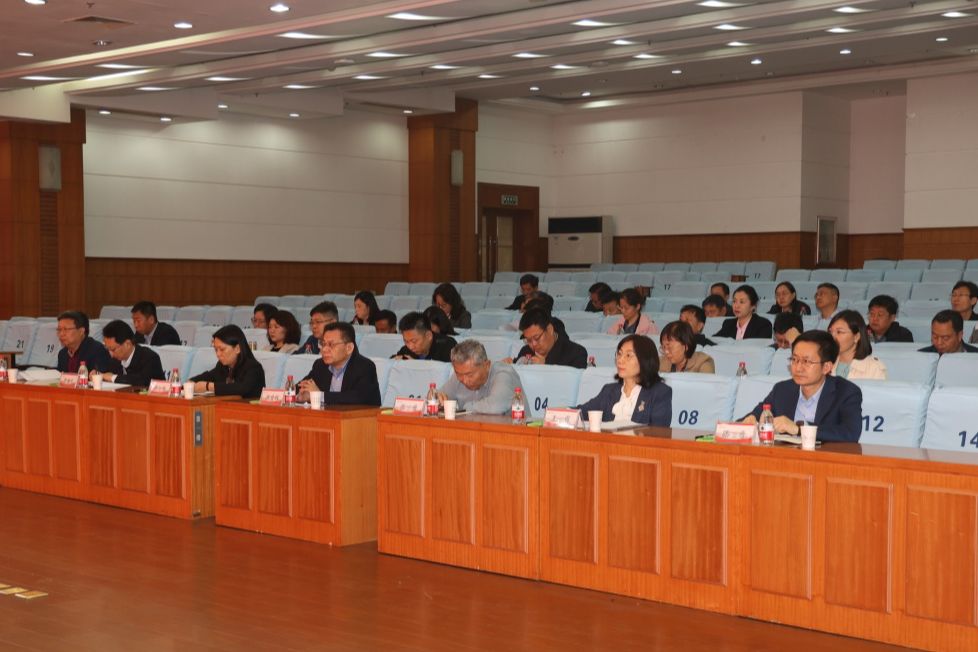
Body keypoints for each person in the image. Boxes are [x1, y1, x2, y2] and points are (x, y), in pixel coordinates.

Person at [742, 330, 862, 442]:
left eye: (806, 361)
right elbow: (751, 418)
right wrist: (749, 421)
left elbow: (850, 433)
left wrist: (799, 429)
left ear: (826, 367)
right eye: (795, 359)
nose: (798, 368)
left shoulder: (846, 392)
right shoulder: (782, 390)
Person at [577, 334, 672, 427]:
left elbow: (659, 432)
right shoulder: (609, 390)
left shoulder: (659, 392)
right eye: (619, 354)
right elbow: (581, 413)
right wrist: (568, 411)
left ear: (644, 360)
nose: (620, 360)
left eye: (628, 355)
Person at [298, 322, 381, 405]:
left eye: (331, 344)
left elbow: (357, 398)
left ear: (349, 348)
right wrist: (301, 394)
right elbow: (303, 385)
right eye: (323, 344)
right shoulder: (320, 365)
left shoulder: (365, 367)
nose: (324, 349)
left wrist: (319, 396)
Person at [437, 339, 523, 415]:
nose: (464, 380)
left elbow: (496, 405)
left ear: (487, 365)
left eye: (470, 375)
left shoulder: (504, 373)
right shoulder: (460, 375)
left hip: (513, 427)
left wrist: (466, 408)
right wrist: (438, 400)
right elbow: (438, 397)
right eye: (458, 374)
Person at [190, 325, 265, 398]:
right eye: (216, 349)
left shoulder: (253, 367)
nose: (218, 354)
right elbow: (208, 376)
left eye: (222, 349)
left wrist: (209, 386)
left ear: (237, 349)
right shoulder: (222, 366)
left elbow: (241, 388)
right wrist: (190, 383)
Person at [513, 308, 587, 368]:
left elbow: (570, 381)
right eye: (528, 340)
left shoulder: (576, 353)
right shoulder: (525, 351)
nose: (533, 344)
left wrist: (545, 368)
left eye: (537, 338)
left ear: (550, 329)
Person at [100, 320, 165, 386]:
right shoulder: (114, 361)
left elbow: (143, 381)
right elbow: (106, 375)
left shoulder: (150, 358)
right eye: (107, 349)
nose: (111, 354)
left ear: (127, 344)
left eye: (113, 350)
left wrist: (113, 377)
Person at [827, 310, 887, 380]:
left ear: (856, 337)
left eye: (839, 332)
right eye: (830, 332)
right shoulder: (824, 362)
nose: (832, 337)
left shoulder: (874, 368)